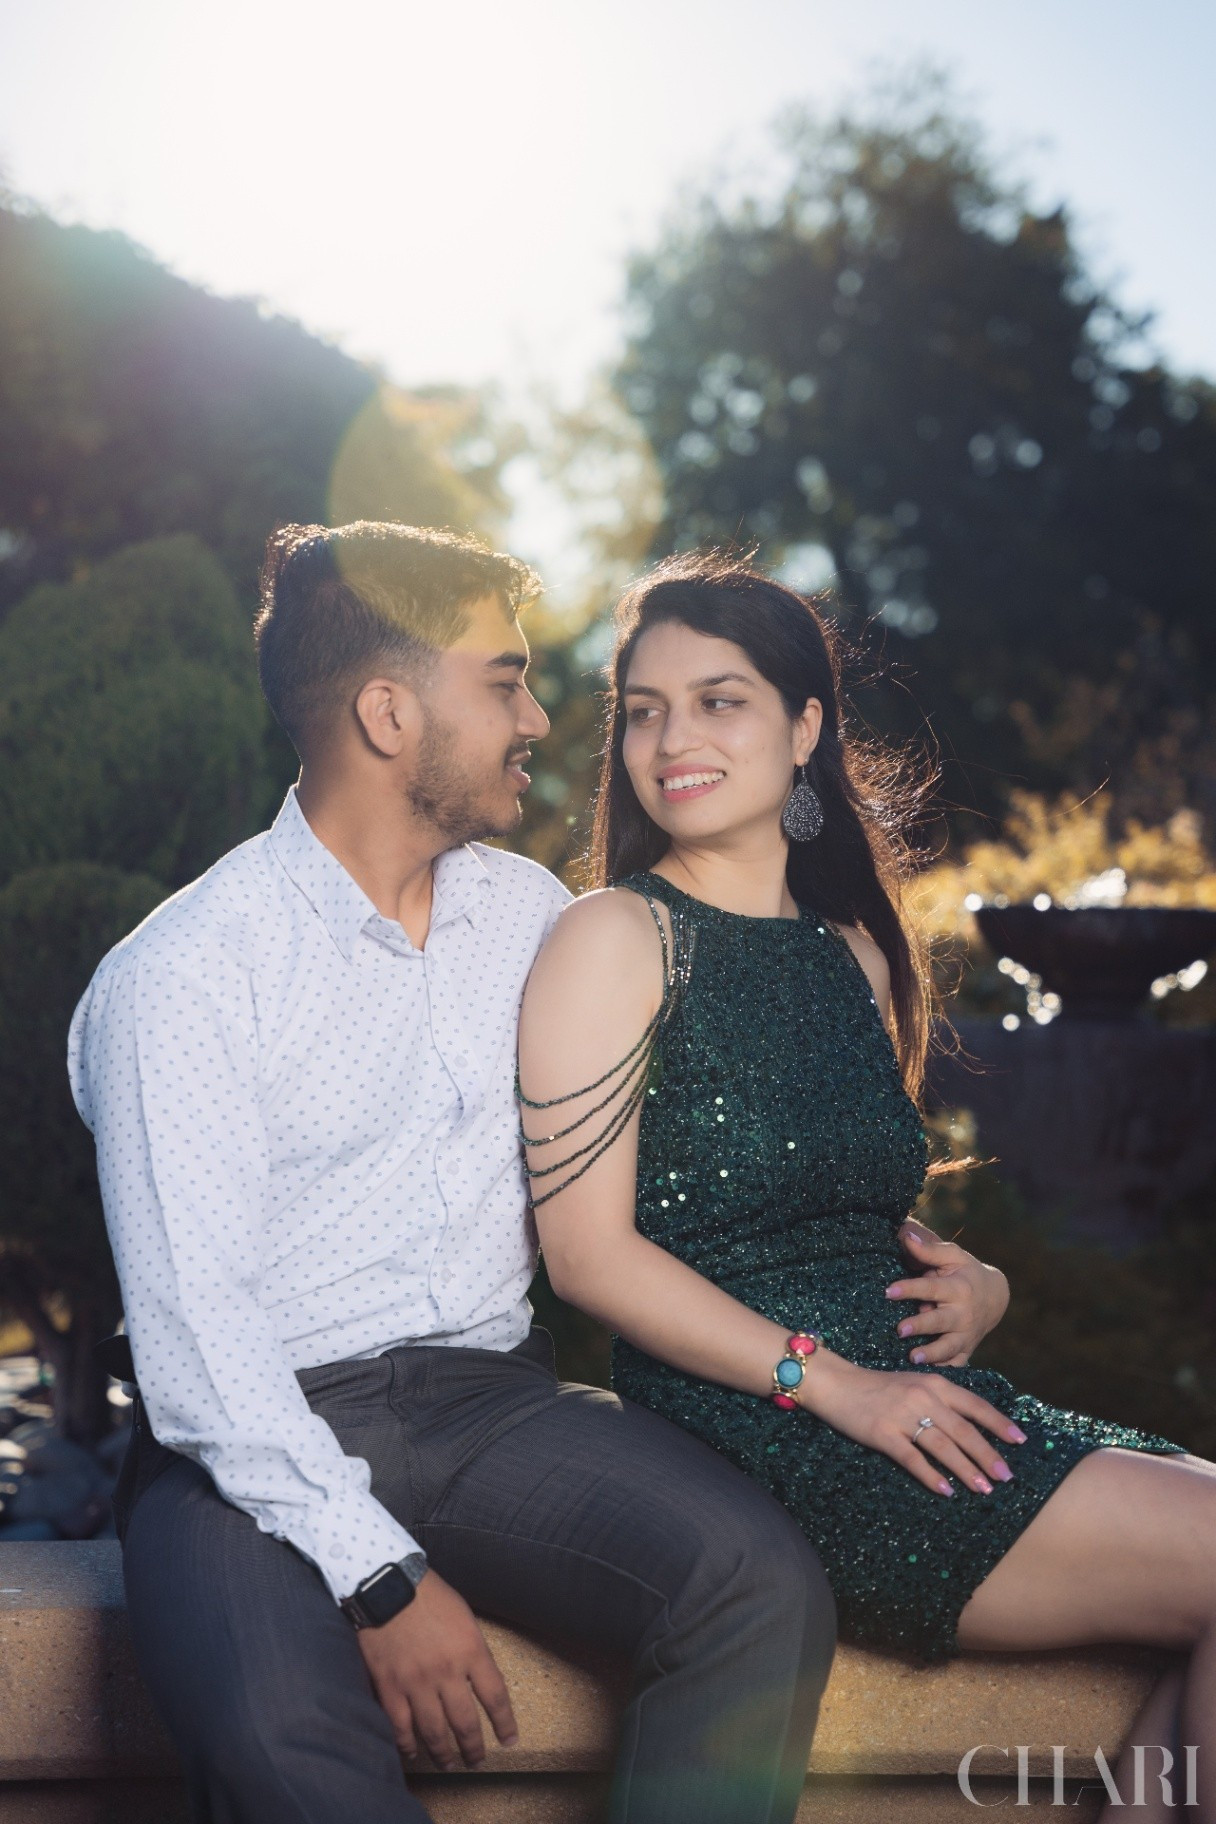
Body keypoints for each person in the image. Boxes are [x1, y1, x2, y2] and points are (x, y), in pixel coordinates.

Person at [68, 522, 845, 1824]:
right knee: (280, 1742)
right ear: (388, 714)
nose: (539, 719)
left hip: (495, 1414)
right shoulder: (184, 973)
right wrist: (381, 1579)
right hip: (246, 1442)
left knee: (755, 1584)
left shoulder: (535, 917)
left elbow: (679, 1175)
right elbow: (198, 1348)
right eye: (504, 683)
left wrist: (910, 1262)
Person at [517, 551, 1216, 1823]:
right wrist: (834, 1384)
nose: (672, 740)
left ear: (804, 728)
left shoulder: (856, 954)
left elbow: (842, 1202)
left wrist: (980, 1285)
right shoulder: (614, 935)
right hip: (771, 1436)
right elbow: (588, 1259)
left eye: (719, 700)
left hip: (912, 1403)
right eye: (644, 709)